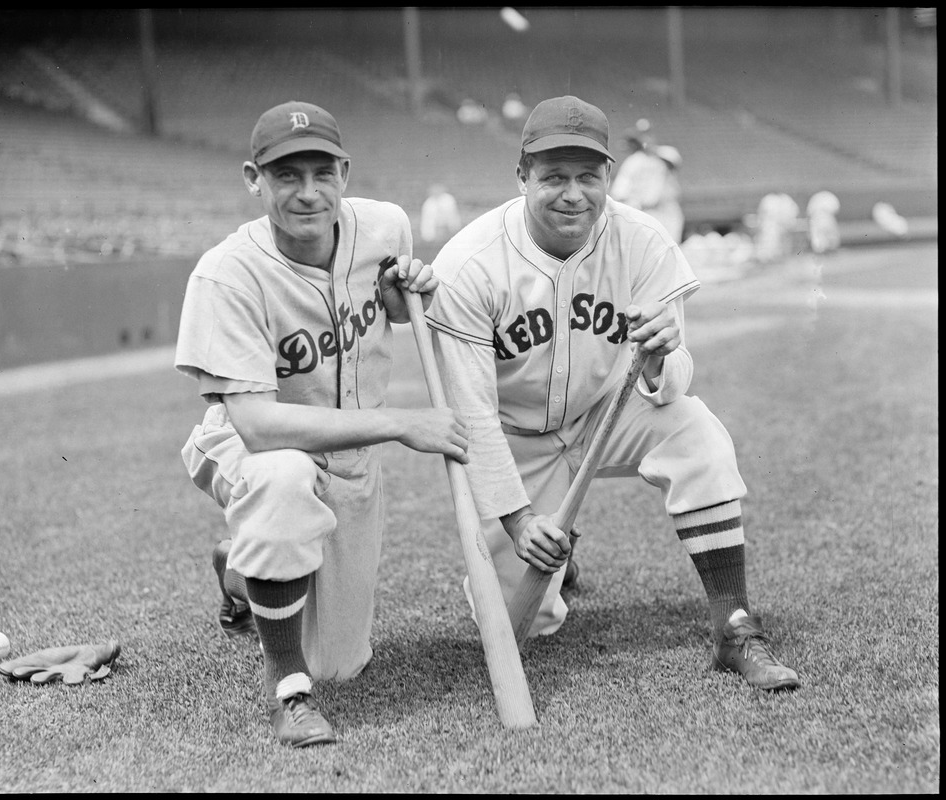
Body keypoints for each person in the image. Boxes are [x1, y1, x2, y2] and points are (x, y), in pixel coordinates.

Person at [424, 95, 800, 692]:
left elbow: (675, 379)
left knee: (695, 432)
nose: (572, 194)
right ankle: (555, 555)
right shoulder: (470, 264)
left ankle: (735, 626)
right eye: (552, 177)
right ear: (521, 177)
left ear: (608, 177)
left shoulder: (643, 240)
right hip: (516, 437)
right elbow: (471, 414)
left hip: (606, 413)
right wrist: (519, 521)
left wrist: (658, 360)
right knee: (526, 627)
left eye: (587, 177)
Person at [174, 101, 470, 748]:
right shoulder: (226, 275)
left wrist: (404, 295)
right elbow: (256, 425)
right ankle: (290, 694)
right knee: (280, 478)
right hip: (247, 444)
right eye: (286, 176)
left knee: (341, 663)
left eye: (322, 173)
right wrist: (398, 424)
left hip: (350, 459)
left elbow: (389, 308)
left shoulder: (387, 227)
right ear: (255, 179)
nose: (308, 193)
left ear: (344, 171)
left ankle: (239, 569)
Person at [610, 126, 685, 243]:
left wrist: (652, 150)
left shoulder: (664, 155)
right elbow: (619, 192)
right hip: (646, 212)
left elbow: (675, 161)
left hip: (668, 211)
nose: (646, 140)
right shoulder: (633, 162)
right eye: (641, 137)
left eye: (647, 136)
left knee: (671, 248)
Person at [805, 190, 841, 255]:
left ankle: (829, 250)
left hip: (827, 218)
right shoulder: (816, 199)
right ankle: (821, 251)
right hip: (817, 219)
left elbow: (835, 208)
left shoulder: (828, 197)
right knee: (819, 236)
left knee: (830, 235)